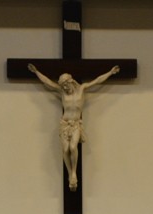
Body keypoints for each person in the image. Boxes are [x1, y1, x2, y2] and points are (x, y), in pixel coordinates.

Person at [28, 63, 120, 192]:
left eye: (66, 85)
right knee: (65, 149)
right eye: (63, 86)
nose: (65, 88)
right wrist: (36, 72)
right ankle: (70, 172)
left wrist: (110, 73)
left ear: (71, 82)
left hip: (76, 124)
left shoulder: (82, 89)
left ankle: (73, 172)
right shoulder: (62, 92)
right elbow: (48, 83)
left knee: (73, 147)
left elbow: (97, 81)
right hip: (65, 124)